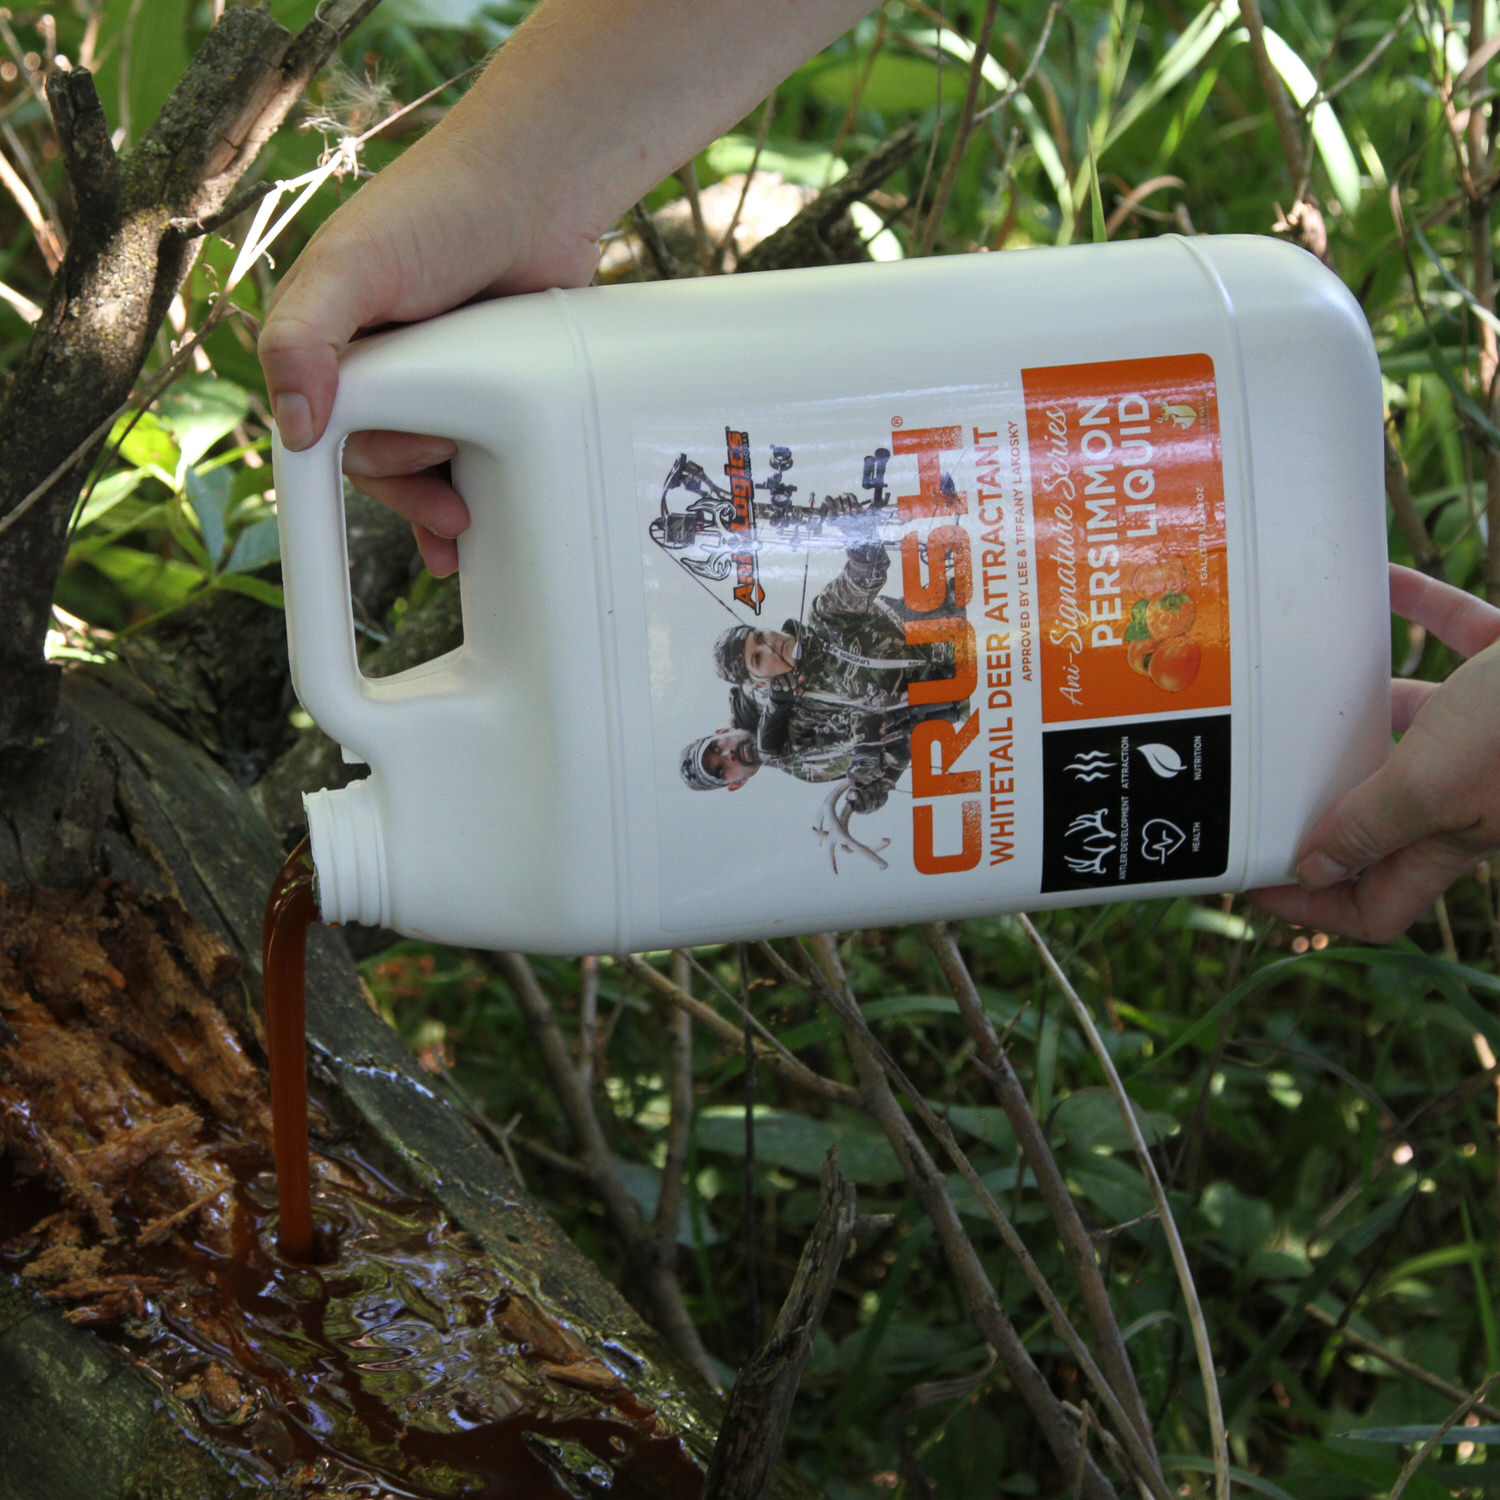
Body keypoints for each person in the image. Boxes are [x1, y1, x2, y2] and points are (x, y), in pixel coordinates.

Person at [259, 0, 1500, 943]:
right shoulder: (786, 740)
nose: (733, 757)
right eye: (725, 765)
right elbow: (873, 734)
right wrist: (508, 176)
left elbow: (841, 617)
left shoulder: (779, 691)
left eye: (723, 756)